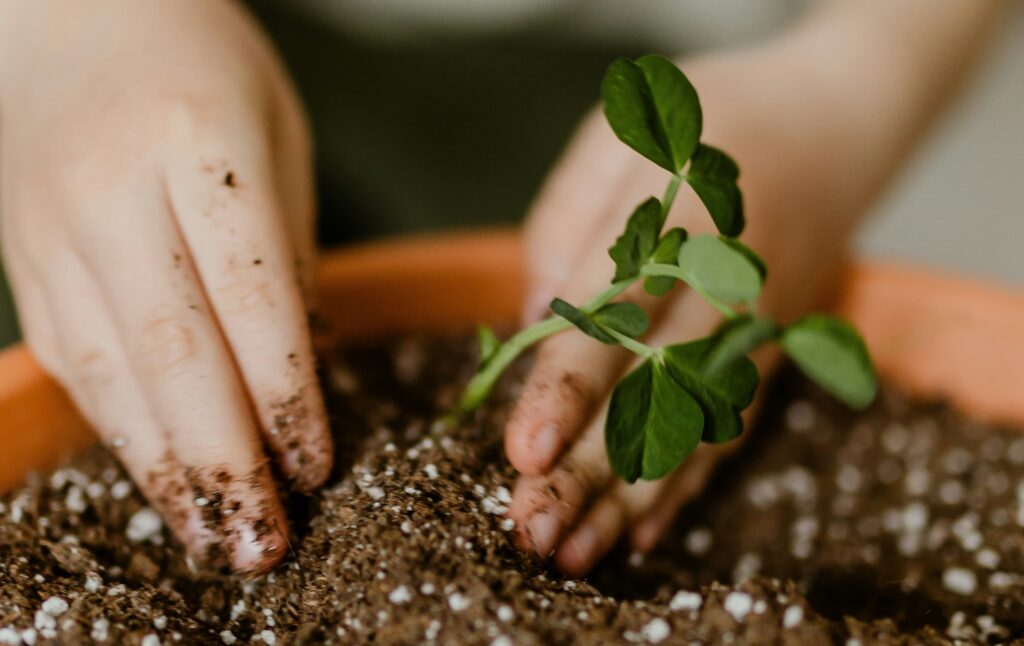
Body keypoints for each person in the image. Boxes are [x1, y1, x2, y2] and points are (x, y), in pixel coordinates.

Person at [0, 0, 1005, 574]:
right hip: (160, 35)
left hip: (606, 37)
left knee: (592, 276)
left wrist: (856, 80)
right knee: (124, 285)